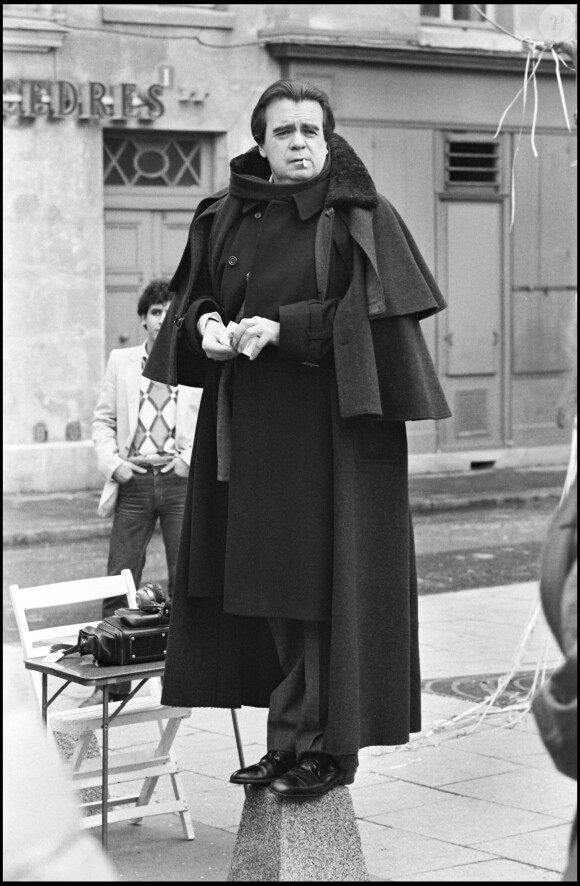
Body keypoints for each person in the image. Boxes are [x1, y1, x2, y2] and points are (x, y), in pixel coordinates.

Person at [144, 79, 451, 798]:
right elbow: (192, 305)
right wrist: (209, 329)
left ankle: (325, 750)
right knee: (267, 594)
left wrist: (288, 329)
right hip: (245, 441)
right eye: (285, 132)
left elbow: (379, 325)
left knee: (323, 595)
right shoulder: (225, 215)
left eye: (312, 130)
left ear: (328, 137)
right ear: (261, 142)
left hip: (332, 441)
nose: (301, 143)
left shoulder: (358, 219)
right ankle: (286, 744)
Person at [88, 279, 200, 704]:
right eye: (156, 312)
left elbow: (207, 419)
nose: (162, 319)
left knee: (184, 578)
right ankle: (112, 676)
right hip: (133, 483)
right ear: (143, 320)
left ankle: (183, 675)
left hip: (176, 482)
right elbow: (103, 423)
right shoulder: (122, 362)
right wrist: (115, 467)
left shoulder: (192, 364)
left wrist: (187, 461)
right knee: (121, 575)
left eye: (170, 312)